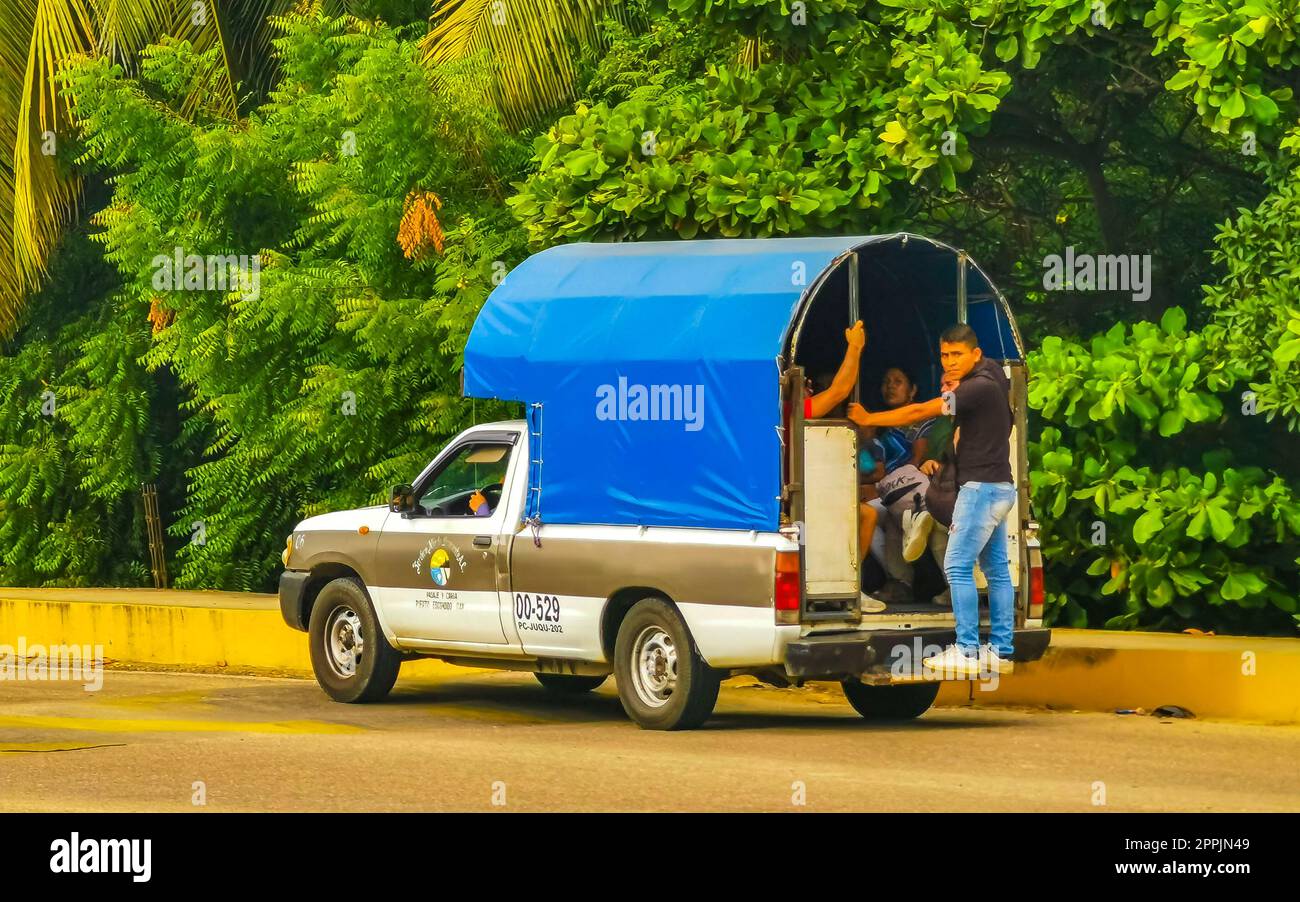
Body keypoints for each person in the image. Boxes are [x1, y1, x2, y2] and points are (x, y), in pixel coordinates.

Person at [848, 323, 1016, 676]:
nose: (950, 362)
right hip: (1000, 487)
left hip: (980, 490)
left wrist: (868, 418)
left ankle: (968, 650)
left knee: (957, 565)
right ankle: (1000, 651)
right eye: (944, 355)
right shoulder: (996, 377)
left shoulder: (977, 388)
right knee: (997, 569)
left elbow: (916, 412)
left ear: (975, 353)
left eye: (957, 355)